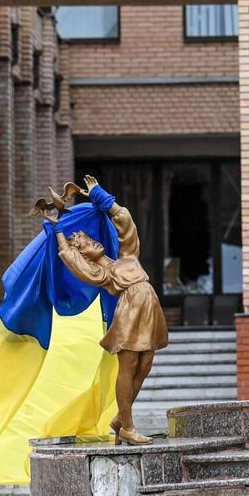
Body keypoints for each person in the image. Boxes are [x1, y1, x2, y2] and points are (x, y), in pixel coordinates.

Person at [36, 175, 168, 445]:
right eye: (85, 243)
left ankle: (120, 418)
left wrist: (101, 196)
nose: (92, 242)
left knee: (145, 366)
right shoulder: (102, 273)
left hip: (150, 308)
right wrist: (59, 229)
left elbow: (126, 223)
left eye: (90, 238)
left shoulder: (126, 257)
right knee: (129, 367)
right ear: (83, 253)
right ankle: (128, 427)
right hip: (130, 312)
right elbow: (71, 260)